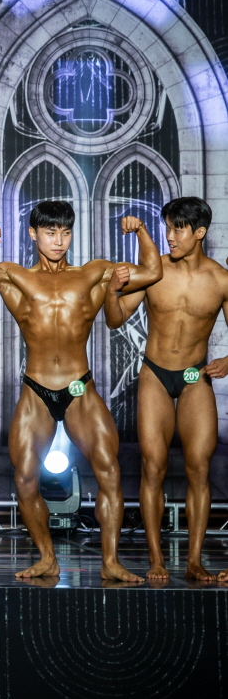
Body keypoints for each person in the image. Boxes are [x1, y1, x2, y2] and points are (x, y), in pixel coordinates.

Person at [0, 201, 160, 581]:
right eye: (50, 233)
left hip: (80, 387)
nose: (59, 241)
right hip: (36, 390)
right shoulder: (14, 276)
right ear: (34, 234)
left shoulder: (93, 273)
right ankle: (47, 557)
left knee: (109, 472)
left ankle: (111, 562)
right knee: (25, 478)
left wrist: (142, 232)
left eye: (65, 232)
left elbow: (152, 271)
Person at [104, 197, 228, 581]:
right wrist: (112, 291)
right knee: (153, 467)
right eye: (168, 228)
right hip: (155, 375)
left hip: (194, 377)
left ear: (199, 232)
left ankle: (194, 561)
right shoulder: (154, 272)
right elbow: (114, 320)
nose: (170, 236)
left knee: (199, 469)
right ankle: (156, 559)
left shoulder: (221, 280)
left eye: (178, 229)